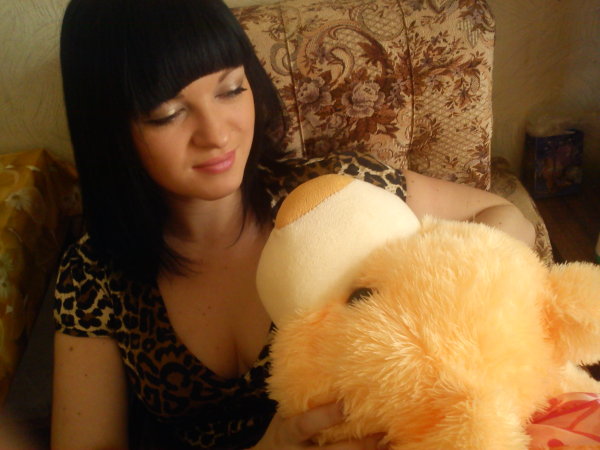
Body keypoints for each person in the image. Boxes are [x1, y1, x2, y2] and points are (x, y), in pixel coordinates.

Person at [51, 0, 536, 448]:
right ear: (110, 131)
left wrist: (447, 307)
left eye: (231, 90)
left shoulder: (335, 194)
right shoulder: (95, 275)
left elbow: (505, 217)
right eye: (169, 114)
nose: (216, 134)